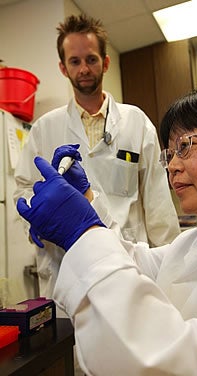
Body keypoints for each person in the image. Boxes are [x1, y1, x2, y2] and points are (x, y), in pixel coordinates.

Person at [16, 84, 197, 375]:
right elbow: (131, 262)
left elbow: (194, 362)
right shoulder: (195, 242)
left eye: (186, 146)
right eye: (171, 153)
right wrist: (87, 200)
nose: (173, 166)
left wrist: (82, 232)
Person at [13, 13, 180, 298]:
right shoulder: (44, 128)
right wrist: (36, 219)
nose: (84, 69)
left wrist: (173, 267)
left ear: (105, 62)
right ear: (63, 68)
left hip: (126, 261)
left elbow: (158, 202)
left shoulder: (136, 122)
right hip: (66, 264)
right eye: (75, 61)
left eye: (91, 59)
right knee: (71, 341)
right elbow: (24, 189)